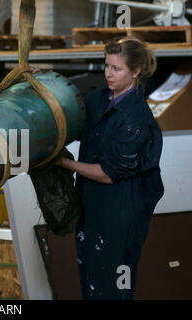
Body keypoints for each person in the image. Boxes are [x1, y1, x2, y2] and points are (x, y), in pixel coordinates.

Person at [55, 37, 164, 300]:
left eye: (117, 68)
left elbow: (107, 173)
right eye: (107, 66)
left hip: (121, 215)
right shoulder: (99, 99)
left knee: (113, 287)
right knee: (91, 281)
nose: (108, 73)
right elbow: (72, 120)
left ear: (136, 71)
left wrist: (64, 163)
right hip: (92, 207)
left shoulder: (135, 118)